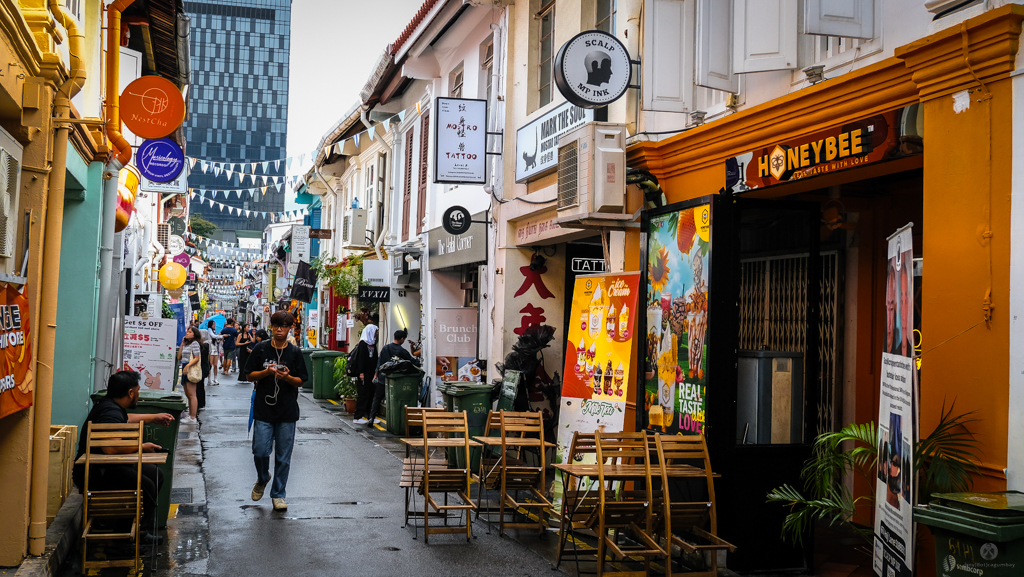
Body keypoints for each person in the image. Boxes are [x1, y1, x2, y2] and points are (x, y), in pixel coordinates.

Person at [72, 370, 175, 545]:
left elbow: (125, 419)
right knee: (147, 486)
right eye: (138, 390)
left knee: (155, 474)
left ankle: (132, 529)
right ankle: (126, 538)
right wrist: (142, 447)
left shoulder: (110, 406)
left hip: (105, 467)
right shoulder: (110, 412)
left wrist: (153, 418)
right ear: (130, 393)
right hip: (96, 473)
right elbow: (111, 447)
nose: (138, 394)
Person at [244, 311, 309, 511]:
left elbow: (301, 380)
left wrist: (287, 378)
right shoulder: (261, 349)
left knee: (283, 457)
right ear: (271, 327)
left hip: (287, 411)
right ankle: (263, 477)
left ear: (290, 328)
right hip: (264, 409)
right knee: (260, 451)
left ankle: (279, 494)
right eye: (275, 326)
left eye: (283, 326)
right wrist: (267, 372)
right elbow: (248, 375)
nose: (279, 329)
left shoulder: (295, 352)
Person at [367, 329, 416, 426]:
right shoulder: (402, 351)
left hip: (383, 378)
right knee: (394, 399)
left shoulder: (385, 348)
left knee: (377, 398)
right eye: (404, 339)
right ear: (402, 339)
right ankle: (394, 421)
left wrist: (376, 375)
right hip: (395, 379)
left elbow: (379, 362)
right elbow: (412, 362)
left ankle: (371, 417)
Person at [350, 324, 378, 425]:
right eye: (374, 332)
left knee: (371, 394)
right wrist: (361, 372)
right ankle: (358, 416)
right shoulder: (362, 344)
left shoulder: (373, 343)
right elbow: (361, 359)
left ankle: (371, 416)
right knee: (363, 394)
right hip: (364, 373)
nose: (376, 334)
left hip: (371, 373)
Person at [178, 326, 202, 423]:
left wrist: (188, 366)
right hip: (184, 367)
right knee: (187, 393)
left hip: (190, 368)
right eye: (187, 331)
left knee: (192, 394)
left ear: (194, 335)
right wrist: (182, 344)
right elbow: (179, 356)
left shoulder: (195, 344)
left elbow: (197, 358)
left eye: (190, 332)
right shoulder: (186, 344)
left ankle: (193, 417)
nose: (187, 333)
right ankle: (190, 415)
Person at [207, 320, 223, 385]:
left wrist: (219, 338)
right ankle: (209, 380)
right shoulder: (209, 330)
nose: (214, 325)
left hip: (215, 348)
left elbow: (215, 338)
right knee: (210, 365)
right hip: (211, 349)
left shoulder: (214, 331)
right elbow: (213, 336)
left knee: (216, 365)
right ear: (210, 325)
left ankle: (215, 379)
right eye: (213, 324)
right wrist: (221, 336)